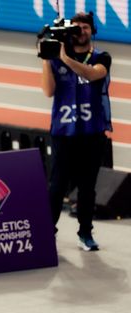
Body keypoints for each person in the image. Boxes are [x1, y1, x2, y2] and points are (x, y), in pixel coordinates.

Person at [40, 12, 111, 252]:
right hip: (64, 132)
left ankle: (85, 233)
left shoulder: (102, 57)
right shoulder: (56, 60)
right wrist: (46, 58)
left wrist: (64, 57)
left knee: (87, 187)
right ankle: (48, 230)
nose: (81, 31)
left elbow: (92, 74)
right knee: (57, 185)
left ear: (93, 31)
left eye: (86, 27)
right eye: (77, 27)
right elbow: (48, 91)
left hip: (92, 132)